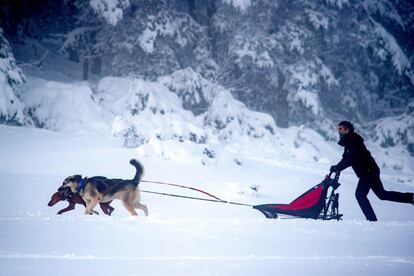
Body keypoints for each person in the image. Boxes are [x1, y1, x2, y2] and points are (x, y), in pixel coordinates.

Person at [330, 121, 414, 221]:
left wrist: (338, 168)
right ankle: (411, 197)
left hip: (368, 172)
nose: (338, 131)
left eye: (340, 129)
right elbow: (346, 158)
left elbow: (351, 159)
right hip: (370, 171)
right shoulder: (350, 141)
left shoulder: (353, 141)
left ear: (346, 129)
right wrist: (337, 167)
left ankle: (371, 220)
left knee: (360, 195)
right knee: (382, 195)